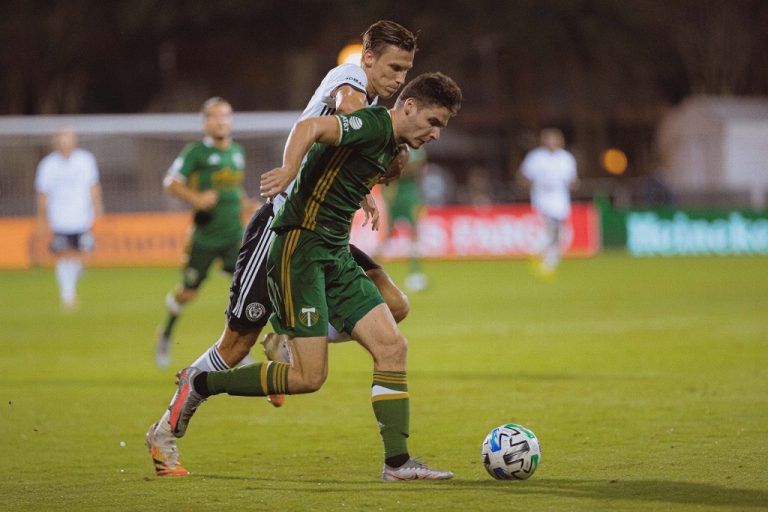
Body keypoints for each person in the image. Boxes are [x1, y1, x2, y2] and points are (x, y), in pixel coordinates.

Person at [146, 20, 417, 477]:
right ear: (368, 59)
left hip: (324, 234)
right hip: (281, 228)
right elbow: (338, 119)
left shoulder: (371, 100)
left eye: (406, 70)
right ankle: (169, 425)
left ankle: (288, 337)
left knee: (393, 303)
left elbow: (349, 142)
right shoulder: (350, 83)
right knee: (234, 345)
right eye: (393, 67)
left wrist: (365, 187)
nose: (398, 79)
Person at [155, 97, 258, 368]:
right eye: (215, 116)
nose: (221, 120)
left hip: (235, 237)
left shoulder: (237, 151)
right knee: (187, 293)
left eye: (226, 115)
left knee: (246, 290)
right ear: (205, 122)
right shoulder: (196, 152)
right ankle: (165, 333)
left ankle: (237, 349)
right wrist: (196, 198)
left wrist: (247, 204)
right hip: (204, 238)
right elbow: (171, 182)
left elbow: (234, 190)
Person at [34, 127, 103, 310]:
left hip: (82, 217)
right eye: (62, 139)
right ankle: (68, 295)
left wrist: (98, 208)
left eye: (69, 138)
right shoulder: (47, 165)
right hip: (60, 218)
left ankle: (73, 277)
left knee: (85, 256)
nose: (65, 142)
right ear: (55, 141)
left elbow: (93, 185)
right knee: (63, 255)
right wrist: (42, 219)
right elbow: (43, 193)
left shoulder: (85, 160)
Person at [519, 127, 578, 278]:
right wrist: (535, 185)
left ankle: (543, 257)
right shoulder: (536, 157)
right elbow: (523, 177)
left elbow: (572, 180)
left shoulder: (566, 158)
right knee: (551, 229)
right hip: (542, 199)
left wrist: (574, 184)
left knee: (559, 233)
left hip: (560, 199)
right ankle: (545, 260)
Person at [382, 146, 428, 291]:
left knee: (414, 233)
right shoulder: (392, 148)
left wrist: (402, 168)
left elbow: (420, 169)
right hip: (394, 195)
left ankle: (415, 273)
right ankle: (370, 271)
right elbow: (388, 169)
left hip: (411, 194)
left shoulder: (417, 149)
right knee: (387, 234)